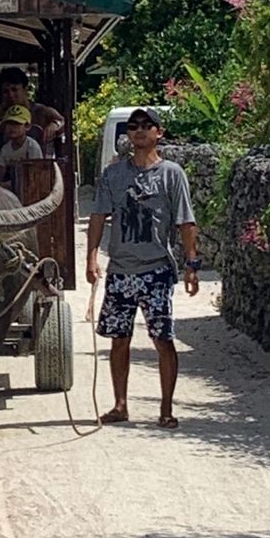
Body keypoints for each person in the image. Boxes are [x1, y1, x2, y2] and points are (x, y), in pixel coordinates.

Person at [85, 109, 199, 429]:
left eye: (146, 126)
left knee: (163, 339)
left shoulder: (171, 174)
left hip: (156, 271)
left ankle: (166, 408)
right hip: (121, 270)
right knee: (118, 338)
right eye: (133, 127)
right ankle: (120, 405)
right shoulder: (114, 175)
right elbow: (98, 217)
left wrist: (191, 265)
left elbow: (186, 222)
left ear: (158, 132)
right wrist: (92, 258)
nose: (139, 131)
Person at [0, 67, 64, 156]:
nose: (10, 95)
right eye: (6, 91)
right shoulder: (1, 115)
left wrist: (55, 124)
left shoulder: (41, 111)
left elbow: (63, 121)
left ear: (25, 89)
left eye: (14, 89)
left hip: (41, 166)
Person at [0, 104, 43, 191]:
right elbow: (1, 174)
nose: (12, 128)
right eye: (9, 124)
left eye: (17, 124)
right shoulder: (5, 149)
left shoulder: (32, 147)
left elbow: (35, 175)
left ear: (27, 126)